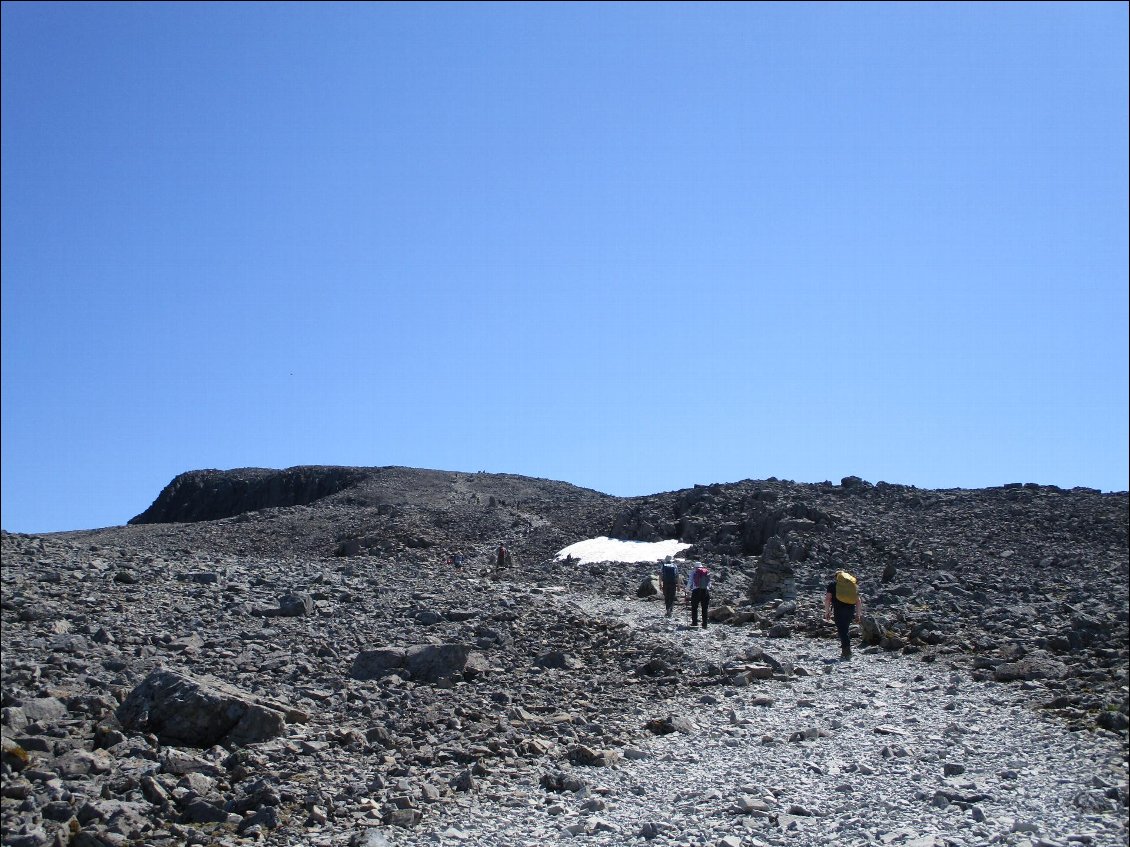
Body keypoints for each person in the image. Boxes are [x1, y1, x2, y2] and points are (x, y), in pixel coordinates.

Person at [824, 570, 863, 659]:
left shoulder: (833, 585)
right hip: (850, 609)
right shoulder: (852, 585)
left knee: (842, 630)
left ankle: (846, 651)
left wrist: (827, 611)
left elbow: (827, 599)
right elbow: (858, 601)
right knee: (845, 628)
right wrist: (858, 614)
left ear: (836, 577)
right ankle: (846, 650)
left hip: (838, 609)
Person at [687, 562, 711, 629]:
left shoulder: (694, 572)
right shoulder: (706, 572)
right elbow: (709, 583)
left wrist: (687, 590)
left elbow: (690, 582)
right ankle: (705, 624)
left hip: (696, 591)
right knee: (704, 608)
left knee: (694, 607)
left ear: (695, 567)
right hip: (705, 591)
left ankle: (694, 623)